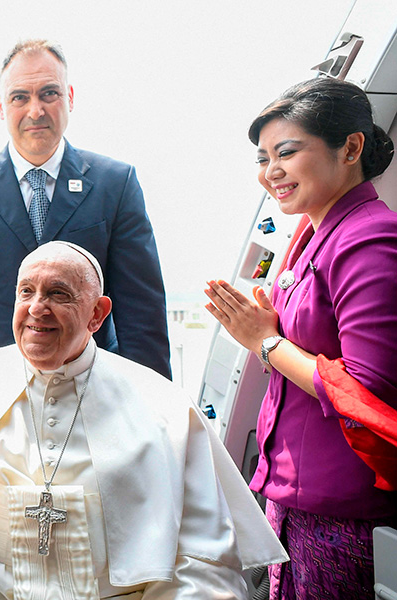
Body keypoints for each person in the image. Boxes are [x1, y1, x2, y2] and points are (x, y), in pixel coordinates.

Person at [0, 241, 287, 599]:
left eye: (58, 294)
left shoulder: (163, 405)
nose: (36, 308)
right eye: (25, 291)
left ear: (97, 314)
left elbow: (203, 554)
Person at [204, 77, 397, 599]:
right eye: (263, 158)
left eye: (286, 153)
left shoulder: (369, 241)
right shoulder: (318, 237)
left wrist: (265, 341)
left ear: (351, 148)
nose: (271, 173)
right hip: (297, 499)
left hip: (340, 513)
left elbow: (366, 388)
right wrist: (271, 334)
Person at [0, 39, 171, 380]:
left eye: (48, 94)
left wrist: (153, 406)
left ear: (69, 97)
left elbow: (142, 310)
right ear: (1, 106)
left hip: (92, 387)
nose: (35, 111)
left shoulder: (115, 184)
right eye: (19, 97)